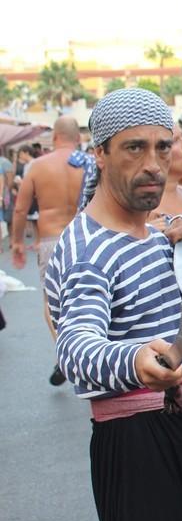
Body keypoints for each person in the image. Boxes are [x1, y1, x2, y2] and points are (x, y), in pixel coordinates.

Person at [44, 87, 182, 521]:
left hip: (177, 427)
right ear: (99, 153)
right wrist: (135, 358)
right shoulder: (89, 250)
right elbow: (76, 346)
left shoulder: (149, 230)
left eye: (163, 147)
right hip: (139, 442)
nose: (153, 164)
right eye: (134, 148)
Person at [12, 116, 89, 386]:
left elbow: (20, 209)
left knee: (51, 300)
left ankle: (66, 354)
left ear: (55, 137)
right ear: (77, 138)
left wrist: (17, 242)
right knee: (90, 293)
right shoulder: (89, 164)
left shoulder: (38, 166)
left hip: (51, 239)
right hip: (85, 235)